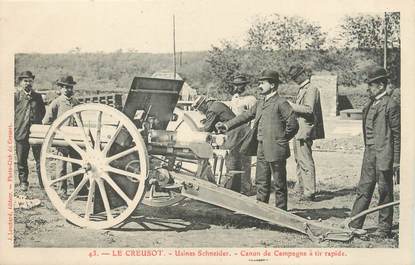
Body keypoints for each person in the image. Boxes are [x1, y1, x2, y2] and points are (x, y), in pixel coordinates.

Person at [216, 70, 298, 210]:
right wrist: (226, 125)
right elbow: (245, 116)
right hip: (261, 147)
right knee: (261, 181)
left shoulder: (281, 102)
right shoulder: (260, 103)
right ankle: (261, 211)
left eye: (262, 83)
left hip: (276, 148)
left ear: (272, 85)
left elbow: (293, 124)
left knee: (279, 183)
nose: (259, 86)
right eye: (259, 83)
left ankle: (281, 212)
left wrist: (281, 139)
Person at [349, 66, 400, 239]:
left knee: (385, 191)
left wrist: (396, 161)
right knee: (364, 188)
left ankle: (384, 229)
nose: (368, 88)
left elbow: (397, 135)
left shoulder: (391, 105)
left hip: (385, 155)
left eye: (371, 85)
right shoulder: (370, 104)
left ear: (380, 86)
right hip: (369, 153)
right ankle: (354, 224)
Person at [192, 96, 248, 192]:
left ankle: (231, 191)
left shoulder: (211, 110)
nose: (200, 112)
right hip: (241, 131)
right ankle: (238, 188)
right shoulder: (216, 104)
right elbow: (222, 118)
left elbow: (207, 129)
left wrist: (196, 130)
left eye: (200, 109)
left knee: (231, 161)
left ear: (204, 105)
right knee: (237, 161)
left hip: (233, 133)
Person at [287, 65, 325, 201]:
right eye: (294, 78)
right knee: (299, 160)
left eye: (297, 76)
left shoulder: (311, 89)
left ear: (303, 74)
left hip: (304, 130)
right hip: (299, 130)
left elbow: (309, 109)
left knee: (305, 160)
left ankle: (309, 192)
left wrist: (290, 105)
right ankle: (302, 187)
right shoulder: (303, 89)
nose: (296, 79)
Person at [43, 75, 82, 197]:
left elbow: (80, 119)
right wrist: (56, 134)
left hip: (75, 139)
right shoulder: (56, 103)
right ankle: (62, 190)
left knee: (78, 164)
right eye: (65, 87)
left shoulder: (76, 102)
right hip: (61, 139)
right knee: (61, 165)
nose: (67, 90)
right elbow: (46, 121)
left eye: (70, 87)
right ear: (60, 89)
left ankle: (80, 189)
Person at [14, 71, 46, 191]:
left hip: (36, 133)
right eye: (25, 81)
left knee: (39, 158)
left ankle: (43, 184)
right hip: (21, 132)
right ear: (21, 82)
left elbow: (42, 112)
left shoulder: (37, 97)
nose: (28, 83)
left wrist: (36, 123)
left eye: (30, 81)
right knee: (22, 159)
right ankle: (23, 182)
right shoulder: (16, 96)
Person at [227, 74, 257, 195]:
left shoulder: (251, 99)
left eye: (240, 85)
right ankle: (231, 187)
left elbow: (254, 117)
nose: (238, 87)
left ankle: (246, 188)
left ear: (245, 85)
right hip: (233, 133)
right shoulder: (234, 98)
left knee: (245, 161)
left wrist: (252, 134)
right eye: (236, 85)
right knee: (232, 160)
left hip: (245, 133)